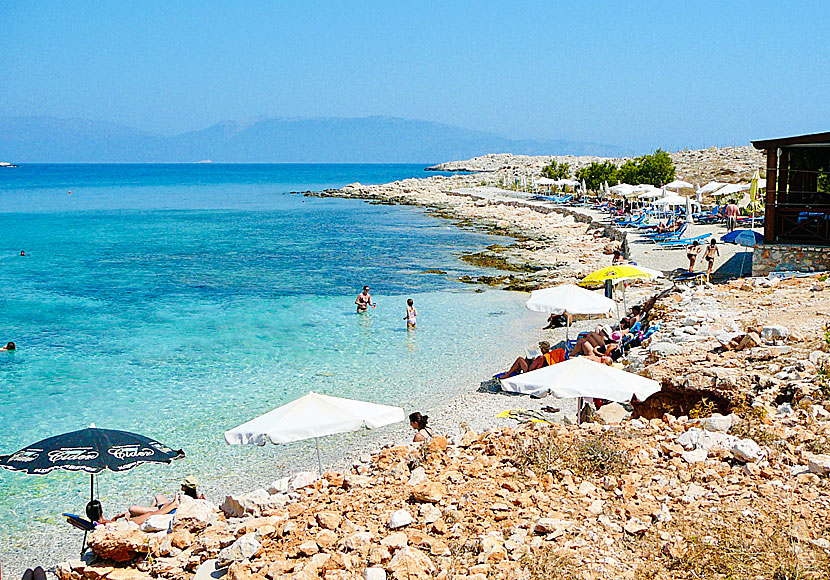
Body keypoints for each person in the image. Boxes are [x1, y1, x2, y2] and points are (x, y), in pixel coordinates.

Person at [113, 477, 204, 524]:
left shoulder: (180, 499)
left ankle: (147, 510)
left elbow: (174, 505)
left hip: (161, 510)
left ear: (184, 488)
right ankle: (149, 508)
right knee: (158, 496)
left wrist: (175, 500)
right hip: (165, 506)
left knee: (132, 509)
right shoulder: (195, 498)